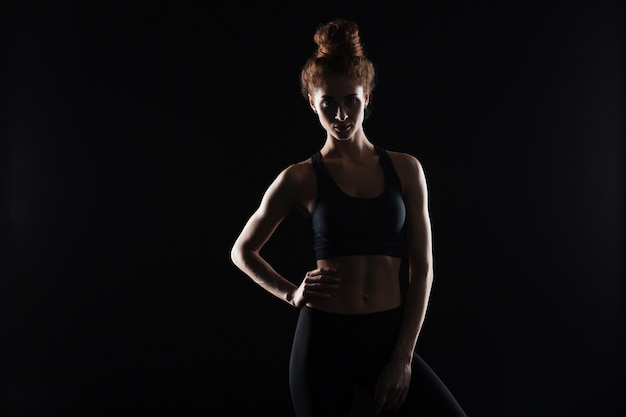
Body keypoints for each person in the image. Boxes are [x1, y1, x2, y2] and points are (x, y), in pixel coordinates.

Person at [230, 18, 468, 417]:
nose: (341, 115)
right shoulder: (300, 177)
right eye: (328, 103)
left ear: (367, 97)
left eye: (351, 101)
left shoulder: (406, 169)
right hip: (323, 342)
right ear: (312, 102)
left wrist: (403, 358)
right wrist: (292, 293)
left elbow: (422, 268)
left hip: (388, 337)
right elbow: (242, 251)